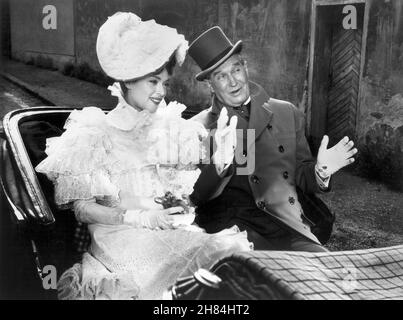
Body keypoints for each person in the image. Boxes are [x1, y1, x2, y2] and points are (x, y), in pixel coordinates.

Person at [35, 13, 251, 300]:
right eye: (153, 82)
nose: (161, 92)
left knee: (226, 260)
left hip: (168, 237)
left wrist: (218, 165)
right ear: (127, 80)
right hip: (120, 243)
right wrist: (140, 217)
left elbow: (183, 199)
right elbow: (83, 210)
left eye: (165, 83)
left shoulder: (172, 129)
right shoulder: (91, 134)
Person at [188, 26, 358, 252]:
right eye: (221, 76)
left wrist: (321, 171)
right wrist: (218, 164)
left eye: (236, 69)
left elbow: (300, 174)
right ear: (210, 84)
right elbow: (195, 197)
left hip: (285, 225)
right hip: (231, 232)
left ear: (246, 68)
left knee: (329, 271)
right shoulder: (197, 128)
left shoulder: (286, 112)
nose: (233, 82)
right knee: (269, 280)